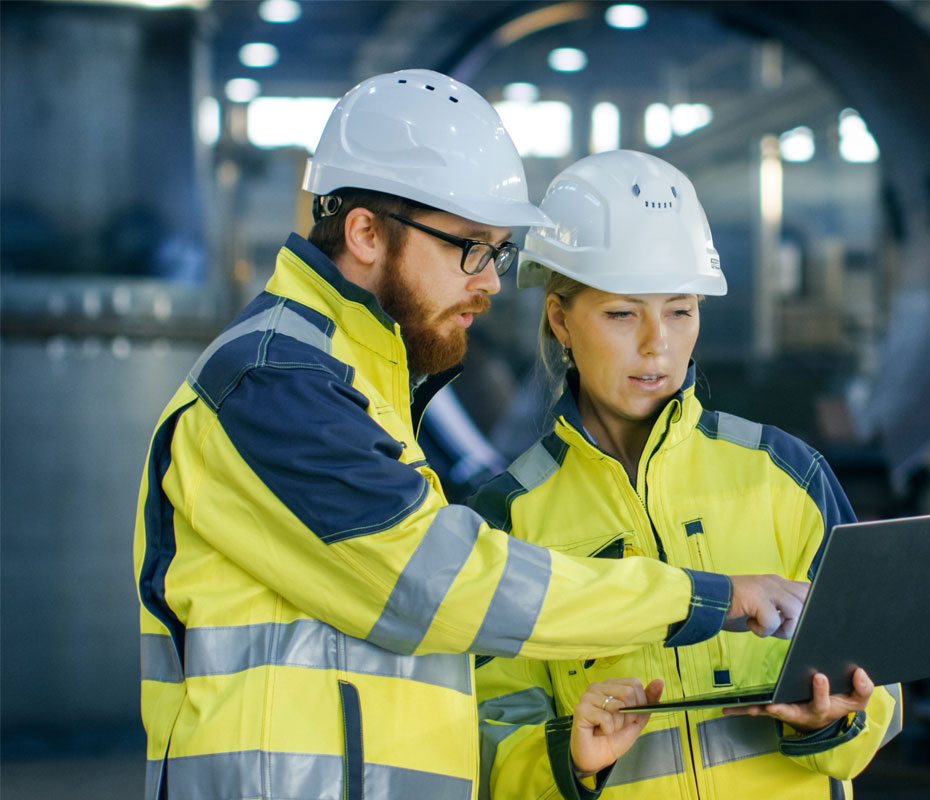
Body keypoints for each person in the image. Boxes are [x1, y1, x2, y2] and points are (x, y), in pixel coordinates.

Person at [133, 70, 812, 800]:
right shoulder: (276, 380)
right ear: (364, 231)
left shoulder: (362, 383)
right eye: (470, 247)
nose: (489, 282)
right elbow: (438, 584)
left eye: (496, 251)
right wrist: (699, 598)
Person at [471, 150, 903, 800]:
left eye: (680, 310)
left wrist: (834, 719)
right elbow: (488, 734)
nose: (657, 344)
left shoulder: (784, 474)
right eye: (622, 314)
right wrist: (571, 760)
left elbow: (881, 684)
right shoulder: (510, 518)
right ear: (560, 319)